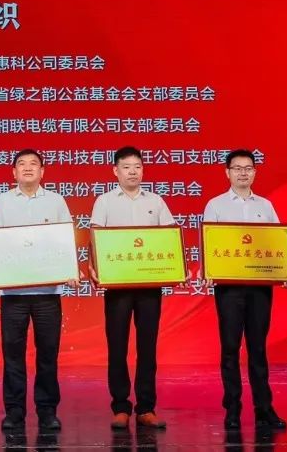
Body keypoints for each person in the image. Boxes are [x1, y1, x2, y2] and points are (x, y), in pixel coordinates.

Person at [0, 149, 77, 432]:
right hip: (13, 294)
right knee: (13, 354)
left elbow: (66, 239)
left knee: (48, 353)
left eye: (33, 164)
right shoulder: (2, 202)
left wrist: (70, 269)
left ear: (42, 171)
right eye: (22, 164)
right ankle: (14, 411)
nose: (27, 168)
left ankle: (47, 410)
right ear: (13, 172)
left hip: (47, 292)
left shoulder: (56, 201)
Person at [202, 149, 287, 430]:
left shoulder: (265, 205)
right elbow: (210, 243)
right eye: (237, 168)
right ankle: (232, 408)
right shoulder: (215, 205)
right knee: (230, 348)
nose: (243, 173)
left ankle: (264, 408)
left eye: (248, 168)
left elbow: (277, 242)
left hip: (259, 288)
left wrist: (285, 271)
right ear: (227, 172)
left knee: (258, 348)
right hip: (229, 288)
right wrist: (209, 271)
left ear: (255, 172)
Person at [90, 146, 174, 430]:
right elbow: (95, 237)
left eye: (137, 166)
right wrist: (93, 267)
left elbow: (169, 237)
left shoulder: (156, 201)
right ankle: (120, 406)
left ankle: (146, 407)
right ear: (115, 171)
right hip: (118, 285)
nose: (133, 172)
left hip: (149, 285)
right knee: (117, 346)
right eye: (126, 167)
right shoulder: (104, 201)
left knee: (147, 346)